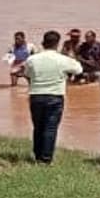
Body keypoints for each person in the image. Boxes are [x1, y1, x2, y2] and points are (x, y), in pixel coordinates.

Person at [24, 30, 82, 164]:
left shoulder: (32, 59)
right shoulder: (62, 59)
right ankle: (46, 159)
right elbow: (79, 69)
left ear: (43, 43)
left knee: (38, 127)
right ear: (57, 44)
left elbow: (27, 73)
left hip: (36, 95)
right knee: (50, 128)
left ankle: (38, 156)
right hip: (55, 96)